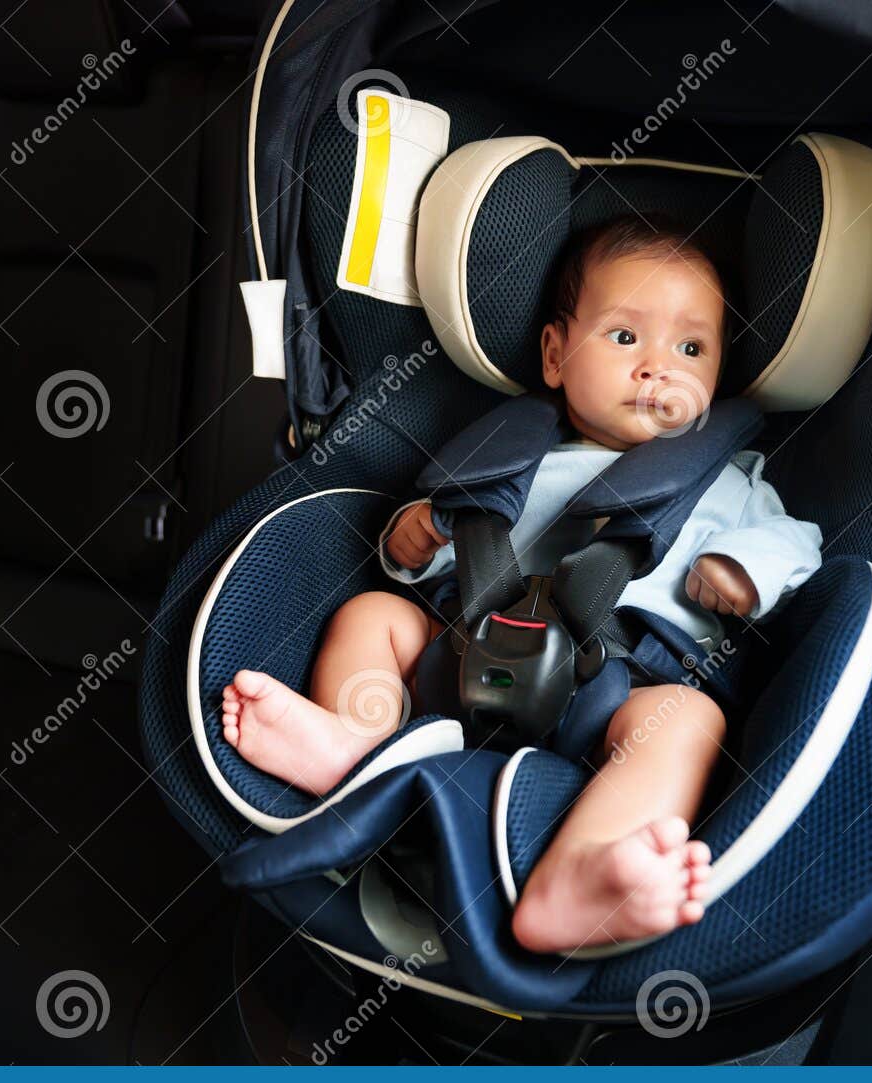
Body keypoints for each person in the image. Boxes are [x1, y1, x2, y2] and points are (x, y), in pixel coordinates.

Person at [219, 215, 822, 952]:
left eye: (690, 348)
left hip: (620, 696)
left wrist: (745, 569)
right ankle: (358, 747)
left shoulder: (730, 483)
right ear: (556, 353)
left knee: (691, 725)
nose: (657, 367)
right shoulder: (508, 455)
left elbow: (801, 544)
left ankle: (582, 873)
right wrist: (418, 537)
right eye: (626, 337)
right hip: (471, 657)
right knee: (377, 614)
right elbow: (433, 548)